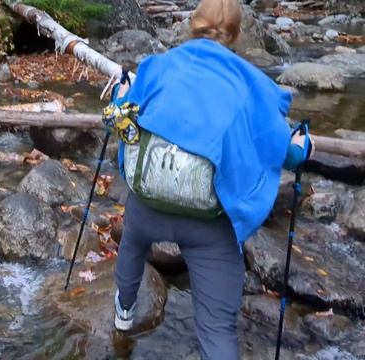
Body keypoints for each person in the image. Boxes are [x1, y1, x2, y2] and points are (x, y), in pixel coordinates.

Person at [109, 0, 314, 359]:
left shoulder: (158, 66)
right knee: (217, 332)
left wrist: (121, 89)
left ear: (192, 25)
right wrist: (303, 144)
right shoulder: (254, 85)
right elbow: (287, 153)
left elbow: (123, 108)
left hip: (148, 203)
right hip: (209, 223)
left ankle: (124, 313)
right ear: (236, 34)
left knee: (132, 243)